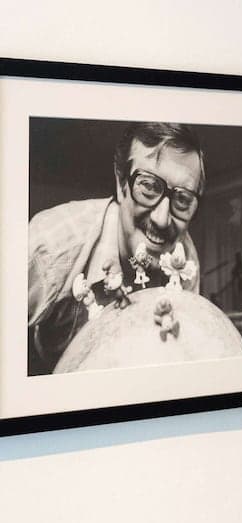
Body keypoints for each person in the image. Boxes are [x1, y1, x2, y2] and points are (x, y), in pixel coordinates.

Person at [27, 122, 205, 374]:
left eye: (182, 199)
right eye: (148, 187)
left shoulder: (184, 258)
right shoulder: (49, 247)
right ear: (122, 184)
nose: (162, 219)